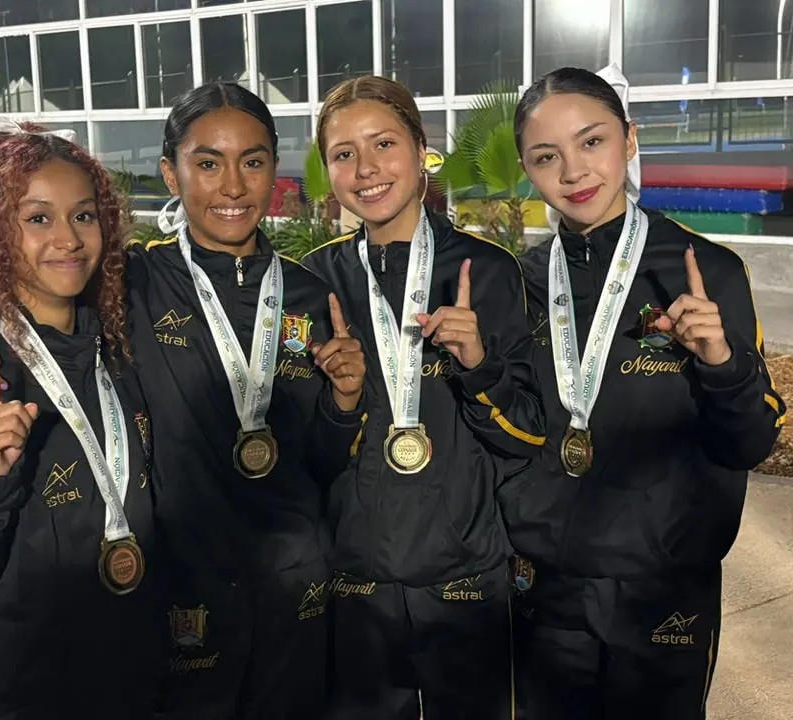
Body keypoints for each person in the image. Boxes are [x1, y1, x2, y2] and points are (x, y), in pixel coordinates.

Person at [0, 84, 367, 720]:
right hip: (179, 608)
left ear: (276, 167)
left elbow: (322, 463)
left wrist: (342, 405)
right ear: (170, 172)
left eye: (253, 161)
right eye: (208, 163)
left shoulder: (309, 296)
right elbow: (35, 296)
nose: (233, 185)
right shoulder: (131, 281)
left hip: (293, 596)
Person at [502, 65, 787, 720]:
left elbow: (750, 442)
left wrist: (720, 363)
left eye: (592, 141)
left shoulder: (707, 271)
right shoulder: (517, 283)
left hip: (664, 593)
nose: (573, 171)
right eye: (547, 156)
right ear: (527, 170)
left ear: (629, 140)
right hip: (545, 589)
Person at [0, 118, 162, 719]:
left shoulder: (116, 358)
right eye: (38, 218)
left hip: (106, 686)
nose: (68, 238)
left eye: (84, 215)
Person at [302, 75, 546, 719]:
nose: (366, 168)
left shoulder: (487, 272)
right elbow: (302, 458)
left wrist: (479, 367)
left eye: (383, 143)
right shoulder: (311, 283)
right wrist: (341, 403)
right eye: (344, 153)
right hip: (355, 583)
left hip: (466, 582)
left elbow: (529, 436)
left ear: (420, 148)